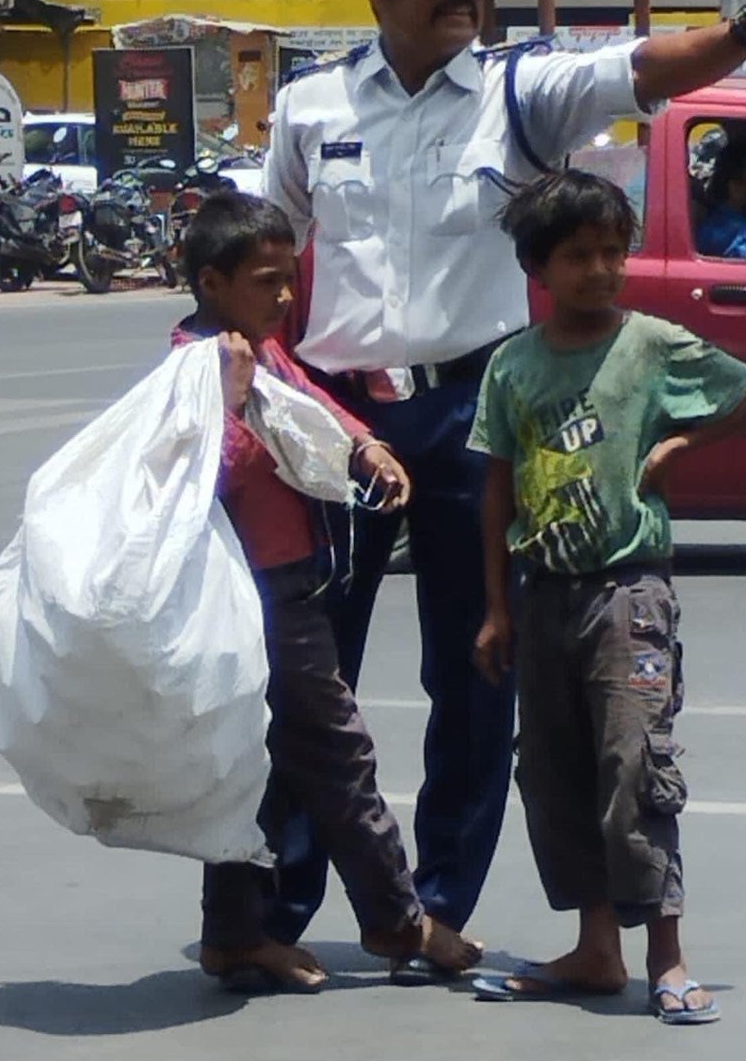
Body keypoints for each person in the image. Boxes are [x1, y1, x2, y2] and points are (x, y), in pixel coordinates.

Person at [262, 0, 746, 980]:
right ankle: (280, 906)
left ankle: (429, 912)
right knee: (312, 673)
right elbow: (271, 248)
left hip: (474, 409)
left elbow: (641, 69)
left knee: (474, 670)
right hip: (337, 411)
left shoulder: (518, 93)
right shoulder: (310, 107)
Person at [467, 171, 746, 1022]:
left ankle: (668, 959)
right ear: (539, 267)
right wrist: (497, 607)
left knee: (635, 767)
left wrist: (680, 443)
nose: (601, 270)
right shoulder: (513, 365)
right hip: (545, 595)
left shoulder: (649, 344)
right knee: (553, 770)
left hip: (627, 593)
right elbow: (496, 487)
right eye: (579, 256)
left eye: (614, 252)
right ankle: (595, 948)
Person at [171, 190, 482, 992]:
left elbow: (310, 405)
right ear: (212, 281)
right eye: (266, 281)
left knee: (261, 769)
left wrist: (366, 444)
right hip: (261, 596)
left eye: (287, 279)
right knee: (340, 756)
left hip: (293, 581)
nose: (284, 297)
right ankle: (399, 921)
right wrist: (234, 404)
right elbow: (204, 474)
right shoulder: (199, 365)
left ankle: (236, 936)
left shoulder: (257, 349)